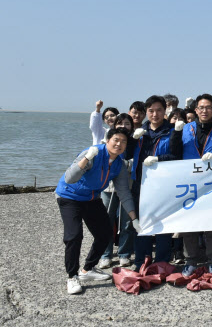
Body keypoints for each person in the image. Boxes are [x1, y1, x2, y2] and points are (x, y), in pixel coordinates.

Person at [55, 127, 140, 294]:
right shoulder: (92, 153)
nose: (119, 144)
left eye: (123, 142)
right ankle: (72, 276)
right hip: (69, 197)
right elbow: (70, 178)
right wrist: (86, 158)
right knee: (74, 236)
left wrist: (134, 218)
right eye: (116, 140)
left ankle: (88, 270)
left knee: (105, 234)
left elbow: (124, 192)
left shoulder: (119, 165)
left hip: (91, 199)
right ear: (107, 140)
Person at [170, 93, 212, 276]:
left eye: (208, 107)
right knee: (189, 223)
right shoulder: (186, 128)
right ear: (195, 110)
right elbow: (175, 153)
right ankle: (191, 260)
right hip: (189, 182)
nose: (204, 110)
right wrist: (176, 134)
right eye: (201, 107)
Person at [133, 95, 178, 270]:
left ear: (165, 111)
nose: (155, 114)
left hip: (164, 185)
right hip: (141, 184)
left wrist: (159, 159)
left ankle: (162, 261)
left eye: (159, 110)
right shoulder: (140, 132)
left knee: (162, 223)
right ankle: (141, 262)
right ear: (146, 112)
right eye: (151, 110)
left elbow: (177, 156)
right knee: (142, 223)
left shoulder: (172, 131)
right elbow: (127, 153)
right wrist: (133, 140)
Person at [98, 113, 140, 269]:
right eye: (120, 123)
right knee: (105, 221)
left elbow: (137, 163)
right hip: (107, 188)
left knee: (127, 222)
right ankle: (105, 255)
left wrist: (124, 164)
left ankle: (124, 253)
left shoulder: (136, 142)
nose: (123, 126)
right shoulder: (107, 141)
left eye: (127, 124)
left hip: (128, 186)